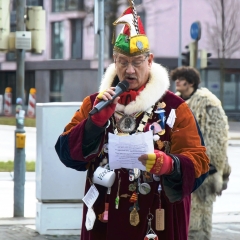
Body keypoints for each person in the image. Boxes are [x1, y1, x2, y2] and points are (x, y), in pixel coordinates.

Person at [55, 2, 210, 239]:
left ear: (150, 61)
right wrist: (93, 126)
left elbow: (199, 164)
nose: (129, 70)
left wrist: (170, 165)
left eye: (137, 62)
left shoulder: (175, 108)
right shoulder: (94, 103)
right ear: (114, 61)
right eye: (122, 61)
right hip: (103, 219)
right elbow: (67, 154)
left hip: (158, 221)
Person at [171, 66, 231, 240]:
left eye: (181, 79)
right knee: (180, 221)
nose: (177, 82)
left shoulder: (207, 103)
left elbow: (217, 137)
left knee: (198, 222)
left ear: (191, 82)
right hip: (179, 170)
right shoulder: (175, 102)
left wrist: (211, 166)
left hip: (203, 171)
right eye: (177, 78)